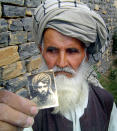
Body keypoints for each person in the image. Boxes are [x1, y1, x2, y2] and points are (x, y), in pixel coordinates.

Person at [0, 0, 117, 131]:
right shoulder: (30, 107)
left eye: (72, 51)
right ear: (41, 51)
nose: (61, 63)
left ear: (86, 56)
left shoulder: (105, 101)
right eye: (52, 51)